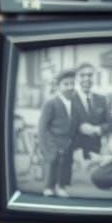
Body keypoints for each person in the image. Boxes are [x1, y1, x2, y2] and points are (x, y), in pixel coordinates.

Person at [37, 68, 77, 197]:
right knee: (52, 163)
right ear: (58, 86)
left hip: (67, 142)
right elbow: (42, 127)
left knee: (64, 165)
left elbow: (75, 123)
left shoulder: (74, 103)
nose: (70, 87)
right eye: (66, 84)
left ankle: (62, 186)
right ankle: (49, 187)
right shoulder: (51, 103)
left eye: (72, 84)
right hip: (53, 141)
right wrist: (47, 147)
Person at [71, 62, 108, 163]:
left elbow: (111, 123)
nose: (86, 78)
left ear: (94, 77)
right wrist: (79, 128)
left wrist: (97, 129)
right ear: (76, 78)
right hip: (74, 155)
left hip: (97, 154)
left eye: (90, 75)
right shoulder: (69, 100)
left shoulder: (102, 99)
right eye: (82, 75)